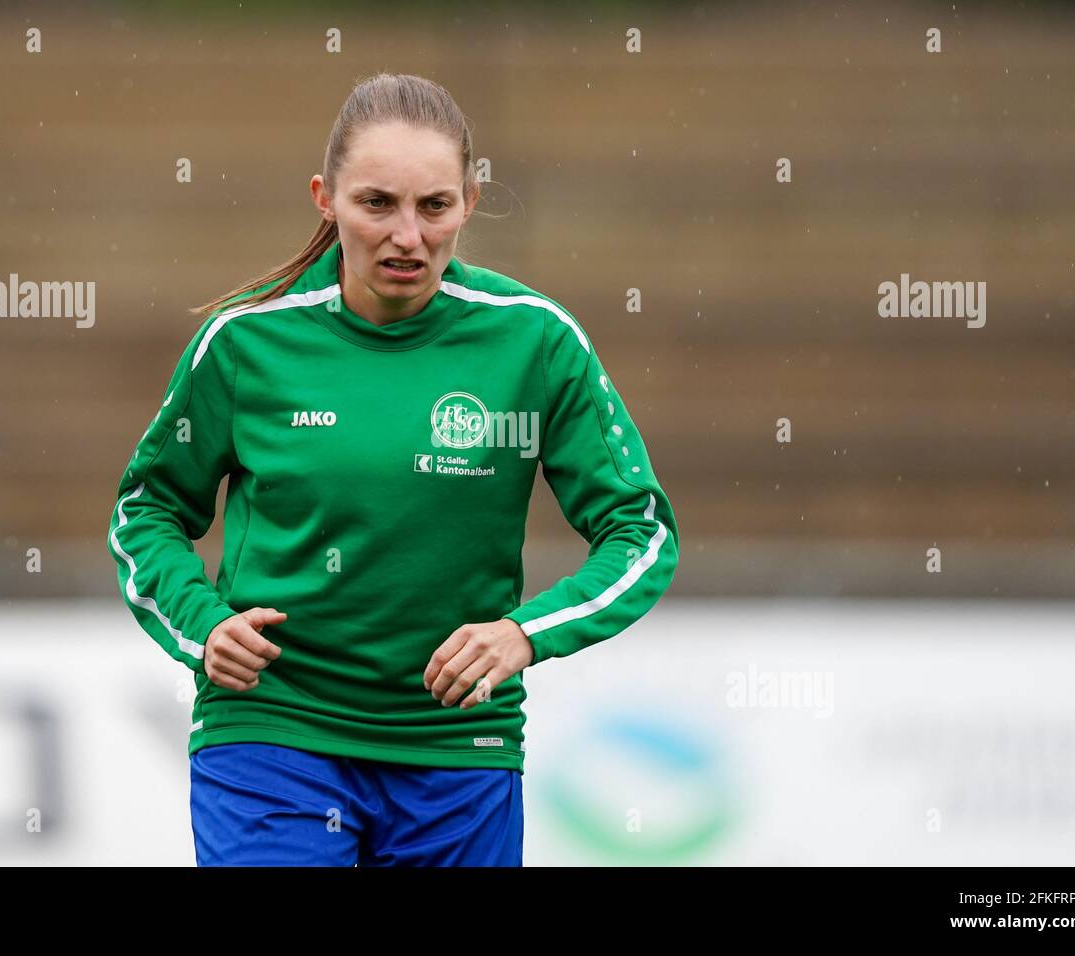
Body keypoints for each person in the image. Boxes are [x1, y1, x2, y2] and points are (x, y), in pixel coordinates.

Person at [107, 72, 679, 866]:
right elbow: (148, 510)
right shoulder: (245, 345)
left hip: (458, 745)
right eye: (377, 203)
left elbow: (640, 531)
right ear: (325, 198)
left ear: (470, 203)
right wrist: (202, 629)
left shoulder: (534, 343)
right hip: (273, 734)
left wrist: (526, 633)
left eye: (433, 206)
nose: (406, 235)